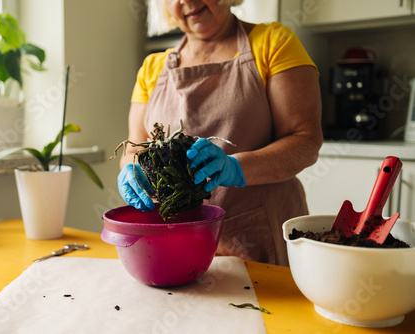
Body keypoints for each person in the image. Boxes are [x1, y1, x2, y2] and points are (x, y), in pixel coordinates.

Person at [117, 0, 323, 266]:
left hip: (260, 238)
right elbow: (134, 149)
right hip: (179, 242)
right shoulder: (152, 68)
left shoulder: (274, 42)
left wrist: (236, 167)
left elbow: (305, 139)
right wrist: (132, 168)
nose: (187, 1)